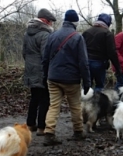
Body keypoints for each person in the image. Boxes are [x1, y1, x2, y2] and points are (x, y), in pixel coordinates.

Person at [41, 9, 91, 146]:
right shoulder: (77, 37)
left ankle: (49, 134)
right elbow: (83, 62)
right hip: (71, 79)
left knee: (54, 106)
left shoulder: (52, 35)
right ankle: (78, 132)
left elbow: (45, 59)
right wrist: (87, 82)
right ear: (75, 22)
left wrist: (46, 75)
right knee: (75, 106)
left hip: (53, 77)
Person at [22, 8, 56, 136]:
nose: (51, 24)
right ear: (45, 21)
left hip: (30, 70)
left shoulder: (27, 33)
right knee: (45, 99)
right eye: (50, 22)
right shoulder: (45, 35)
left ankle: (30, 124)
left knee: (34, 98)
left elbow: (24, 53)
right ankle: (42, 127)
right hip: (42, 71)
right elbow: (45, 55)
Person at [82, 13, 121, 92]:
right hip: (99, 63)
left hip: (86, 63)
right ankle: (96, 103)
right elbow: (112, 52)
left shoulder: (86, 32)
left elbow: (80, 49)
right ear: (108, 23)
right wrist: (118, 68)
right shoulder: (107, 34)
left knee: (86, 86)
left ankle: (84, 103)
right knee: (99, 86)